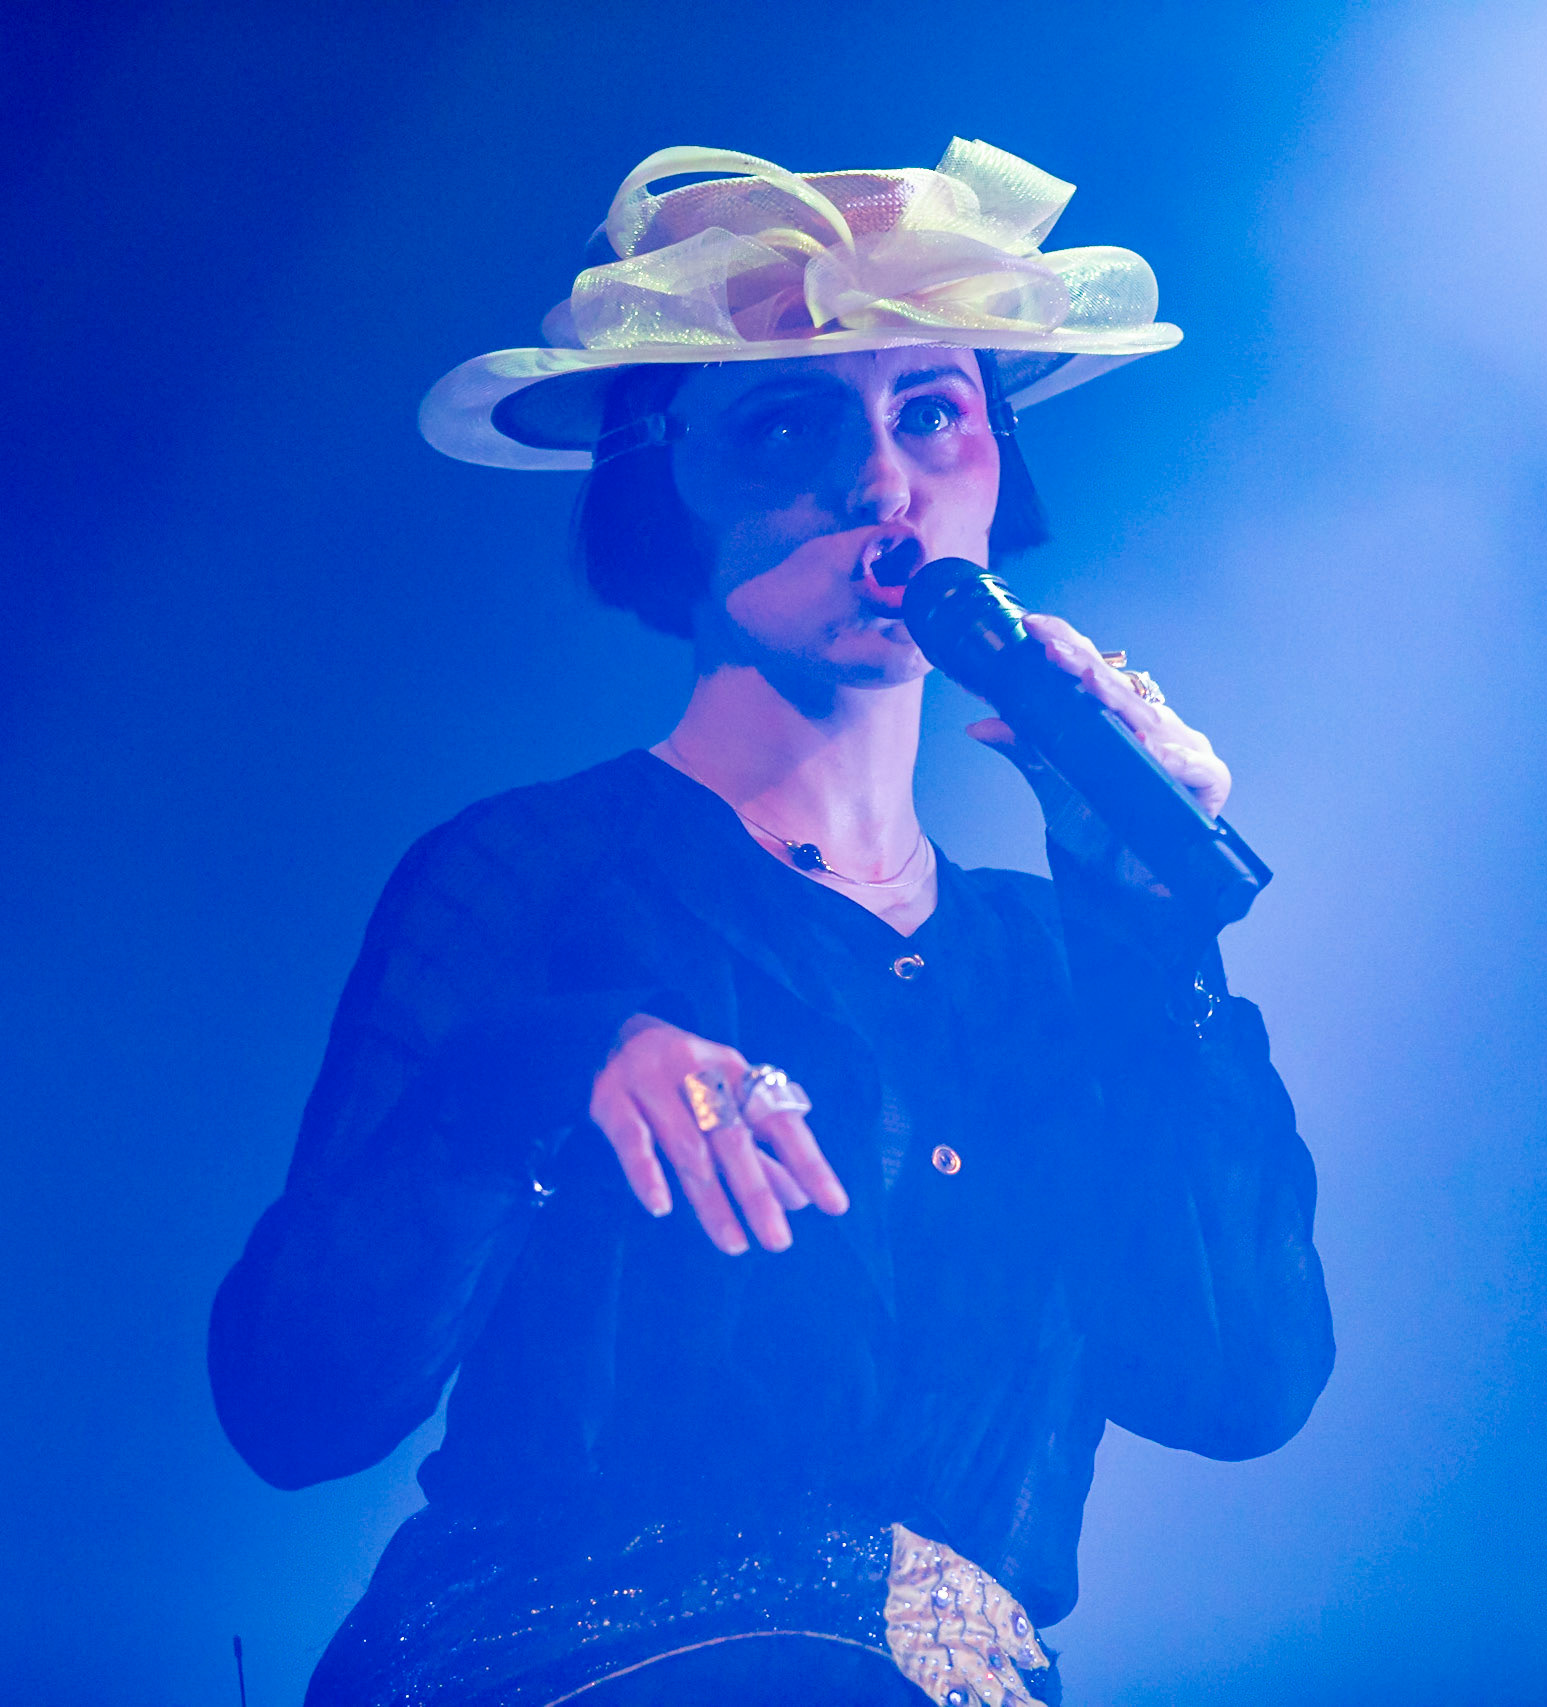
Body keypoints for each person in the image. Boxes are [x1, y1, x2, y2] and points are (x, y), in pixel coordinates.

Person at [209, 140, 1334, 1707]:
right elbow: (296, 1401)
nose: (883, 482)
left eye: (930, 410)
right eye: (794, 420)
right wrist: (550, 1070)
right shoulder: (535, 870)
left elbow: (1238, 1383)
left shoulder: (1056, 962)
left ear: (997, 465)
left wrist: (1154, 940)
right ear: (662, 484)